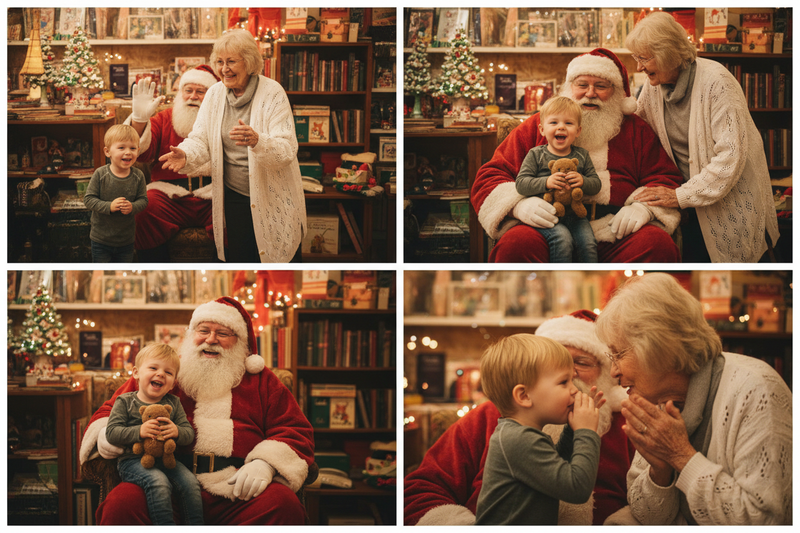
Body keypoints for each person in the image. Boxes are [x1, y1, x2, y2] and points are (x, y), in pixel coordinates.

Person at [79, 296, 314, 524]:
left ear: (240, 341)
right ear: (192, 334)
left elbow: (294, 429)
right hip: (165, 484)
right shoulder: (167, 371)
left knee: (284, 506)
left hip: (237, 491)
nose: (210, 339)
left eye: (222, 333)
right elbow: (111, 410)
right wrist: (105, 433)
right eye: (203, 330)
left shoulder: (262, 381)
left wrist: (266, 463)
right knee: (122, 504)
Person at [404, 310, 634, 525]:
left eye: (582, 362)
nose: (572, 374)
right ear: (524, 391)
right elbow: (421, 488)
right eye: (558, 368)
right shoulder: (491, 418)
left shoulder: (629, 422)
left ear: (606, 373)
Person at [595, 273, 792, 525]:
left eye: (618, 354)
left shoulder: (756, 390)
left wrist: (681, 456)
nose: (614, 372)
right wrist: (660, 472)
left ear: (659, 345)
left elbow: (765, 520)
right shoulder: (656, 399)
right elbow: (647, 517)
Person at [471, 48, 684, 263]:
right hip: (547, 228)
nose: (590, 93)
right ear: (569, 88)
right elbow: (490, 177)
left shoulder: (636, 131)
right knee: (515, 246)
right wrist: (518, 205)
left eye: (601, 86)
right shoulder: (541, 125)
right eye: (582, 85)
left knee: (658, 246)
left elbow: (664, 179)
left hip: (616, 231)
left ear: (617, 92)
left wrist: (643, 208)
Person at [626, 12, 780, 262]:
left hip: (729, 204)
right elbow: (639, 128)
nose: (639, 67)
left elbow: (730, 158)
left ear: (667, 54)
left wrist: (679, 196)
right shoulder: (654, 86)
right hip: (687, 206)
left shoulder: (717, 81)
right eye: (637, 58)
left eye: (644, 59)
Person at [159, 29, 306, 262]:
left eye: (231, 62)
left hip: (273, 193)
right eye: (219, 62)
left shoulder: (273, 92)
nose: (224, 69)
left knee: (280, 258)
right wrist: (186, 154)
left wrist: (258, 141)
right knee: (243, 258)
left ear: (248, 62)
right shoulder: (214, 95)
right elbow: (201, 138)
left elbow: (286, 149)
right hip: (234, 196)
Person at [475, 334, 601, 525]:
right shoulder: (517, 440)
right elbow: (577, 488)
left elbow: (557, 471)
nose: (575, 390)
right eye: (563, 382)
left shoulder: (520, 433)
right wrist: (587, 431)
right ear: (524, 396)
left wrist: (572, 429)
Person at [125, 65, 220, 262]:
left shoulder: (221, 120)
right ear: (180, 93)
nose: (193, 96)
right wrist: (139, 120)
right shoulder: (164, 118)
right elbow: (143, 154)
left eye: (200, 91)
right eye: (188, 90)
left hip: (212, 194)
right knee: (144, 209)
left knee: (236, 211)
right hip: (168, 197)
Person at [105, 344, 203, 525]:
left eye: (168, 372)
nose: (160, 374)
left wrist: (177, 431)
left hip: (167, 458)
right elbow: (111, 433)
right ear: (136, 373)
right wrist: (139, 431)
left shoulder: (173, 403)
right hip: (132, 461)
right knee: (158, 482)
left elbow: (189, 434)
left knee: (191, 483)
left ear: (173, 383)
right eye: (153, 368)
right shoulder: (125, 401)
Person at [515, 96, 601, 262]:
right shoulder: (536, 154)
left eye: (568, 123)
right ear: (541, 129)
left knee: (589, 244)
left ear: (578, 131)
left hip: (576, 215)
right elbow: (521, 184)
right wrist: (546, 182)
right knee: (562, 239)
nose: (561, 127)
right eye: (554, 123)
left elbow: (596, 185)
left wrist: (583, 180)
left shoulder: (581, 155)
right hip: (546, 214)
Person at [83, 124, 148, 262]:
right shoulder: (100, 174)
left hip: (126, 241)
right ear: (107, 152)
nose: (128, 152)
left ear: (138, 150)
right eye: (121, 148)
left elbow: (143, 200)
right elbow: (88, 199)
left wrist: (133, 207)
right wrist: (109, 206)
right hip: (101, 240)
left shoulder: (138, 176)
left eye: (133, 148)